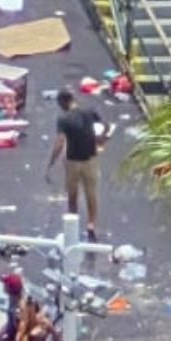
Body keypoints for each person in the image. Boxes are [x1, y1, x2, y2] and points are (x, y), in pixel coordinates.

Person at [45, 89, 111, 240]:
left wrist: (50, 163)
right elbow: (106, 126)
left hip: (72, 161)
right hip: (90, 159)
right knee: (91, 194)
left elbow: (60, 142)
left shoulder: (63, 119)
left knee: (72, 195)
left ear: (63, 102)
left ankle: (73, 225)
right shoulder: (89, 112)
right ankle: (91, 224)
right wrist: (101, 139)